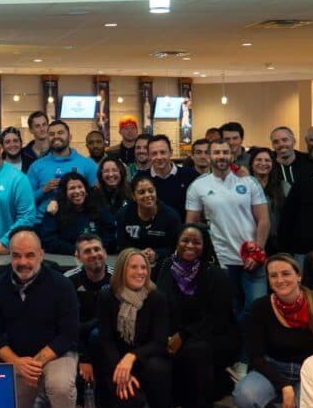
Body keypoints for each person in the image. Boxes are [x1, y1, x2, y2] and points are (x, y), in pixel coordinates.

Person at [0, 228, 79, 408]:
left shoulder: (61, 285)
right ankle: (40, 405)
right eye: (16, 255)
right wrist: (17, 362)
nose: (23, 262)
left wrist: (35, 363)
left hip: (56, 353)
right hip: (19, 357)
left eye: (29, 255)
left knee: (60, 386)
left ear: (41, 255)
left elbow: (69, 333)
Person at [156, 224, 240, 408]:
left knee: (197, 349)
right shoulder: (166, 266)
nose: (190, 245)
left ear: (205, 245)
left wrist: (183, 335)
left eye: (196, 241)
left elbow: (218, 317)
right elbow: (159, 302)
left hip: (212, 334)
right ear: (177, 241)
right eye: (185, 240)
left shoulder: (215, 274)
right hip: (176, 331)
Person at [232, 255, 313, 408]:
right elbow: (256, 356)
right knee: (244, 395)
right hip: (272, 367)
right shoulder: (261, 307)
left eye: (286, 274)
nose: (280, 280)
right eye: (273, 276)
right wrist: (284, 385)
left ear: (299, 276)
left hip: (309, 371)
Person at [185, 139, 270, 325]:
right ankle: (237, 351)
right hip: (221, 261)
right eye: (216, 152)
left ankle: (249, 351)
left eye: (225, 152)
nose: (221, 156)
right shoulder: (198, 186)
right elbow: (190, 224)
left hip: (252, 258)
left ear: (232, 156)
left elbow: (263, 219)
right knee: (229, 310)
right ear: (209, 157)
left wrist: (258, 251)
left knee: (257, 307)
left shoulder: (249, 182)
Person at [96, 248, 172, 408]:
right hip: (118, 361)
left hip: (147, 358)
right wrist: (121, 367)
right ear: (122, 269)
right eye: (134, 267)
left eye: (144, 267)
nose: (140, 272)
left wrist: (132, 357)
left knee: (158, 368)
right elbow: (105, 340)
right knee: (130, 401)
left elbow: (159, 342)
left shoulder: (157, 298)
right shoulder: (107, 297)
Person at [65, 233, 112, 408]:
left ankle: (104, 396)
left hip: (106, 337)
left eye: (97, 249)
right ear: (78, 257)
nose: (93, 254)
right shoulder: (68, 280)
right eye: (87, 251)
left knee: (99, 334)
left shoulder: (117, 277)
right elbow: (68, 326)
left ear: (105, 253)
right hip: (74, 338)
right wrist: (84, 358)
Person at [26, 120, 98, 222]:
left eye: (60, 133)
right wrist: (43, 190)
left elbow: (97, 197)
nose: (56, 136)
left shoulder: (87, 164)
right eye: (51, 134)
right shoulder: (36, 166)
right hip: (42, 224)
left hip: (78, 222)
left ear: (70, 137)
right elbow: (25, 200)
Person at [38, 171, 111, 255]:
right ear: (64, 193)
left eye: (80, 187)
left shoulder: (98, 207)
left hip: (96, 256)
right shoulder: (54, 209)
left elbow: (109, 235)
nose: (77, 191)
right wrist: (76, 251)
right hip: (67, 259)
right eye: (72, 188)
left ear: (86, 190)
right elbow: (48, 241)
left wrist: (95, 250)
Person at [116, 175, 181, 269]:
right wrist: (137, 254)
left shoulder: (171, 216)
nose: (147, 195)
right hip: (132, 262)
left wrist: (156, 254)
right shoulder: (123, 215)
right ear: (133, 196)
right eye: (142, 192)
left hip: (164, 265)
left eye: (151, 191)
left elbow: (175, 248)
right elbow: (122, 245)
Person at [141, 134, 198, 219]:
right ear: (149, 156)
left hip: (183, 229)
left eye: (163, 152)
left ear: (171, 152)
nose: (159, 157)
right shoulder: (141, 178)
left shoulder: (190, 176)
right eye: (154, 153)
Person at [247, 147, 285, 254]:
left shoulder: (283, 187)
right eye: (258, 160)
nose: (263, 163)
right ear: (251, 163)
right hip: (250, 241)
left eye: (267, 160)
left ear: (273, 164)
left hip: (278, 243)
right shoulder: (243, 187)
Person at [270, 126, 313, 193]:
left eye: (285, 140)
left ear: (294, 141)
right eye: (276, 142)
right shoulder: (267, 164)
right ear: (272, 145)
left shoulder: (309, 162)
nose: (281, 144)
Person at [96, 156, 129, 251]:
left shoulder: (132, 192)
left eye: (114, 170)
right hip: (103, 248)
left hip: (127, 248)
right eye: (106, 171)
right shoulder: (93, 195)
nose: (110, 174)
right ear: (101, 174)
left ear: (121, 172)